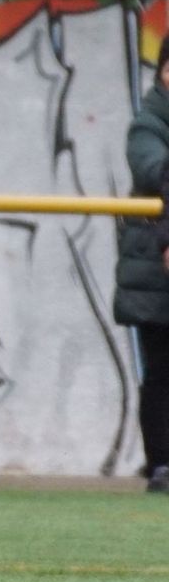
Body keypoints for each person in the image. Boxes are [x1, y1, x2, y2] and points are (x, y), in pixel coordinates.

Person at [114, 40, 169, 494]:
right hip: (155, 270)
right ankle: (162, 465)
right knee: (163, 369)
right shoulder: (148, 124)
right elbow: (155, 172)